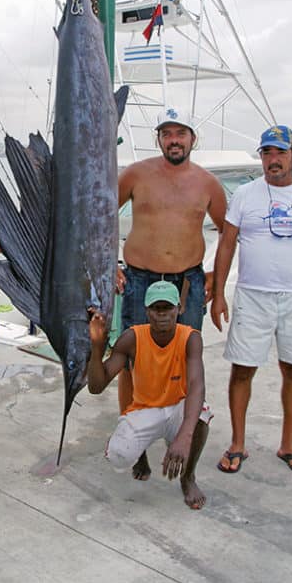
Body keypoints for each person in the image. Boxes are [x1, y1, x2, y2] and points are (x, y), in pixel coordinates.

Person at [211, 124, 292, 476]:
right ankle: (238, 443)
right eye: (267, 153)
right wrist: (219, 294)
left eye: (280, 153)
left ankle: (288, 443)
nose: (272, 160)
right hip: (252, 296)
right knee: (242, 369)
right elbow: (226, 244)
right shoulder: (246, 195)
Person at [117, 106, 226, 479]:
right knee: (131, 362)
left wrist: (218, 278)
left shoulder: (209, 184)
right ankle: (137, 448)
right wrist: (104, 271)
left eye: (181, 133)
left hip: (187, 284)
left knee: (185, 361)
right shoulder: (134, 174)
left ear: (193, 139)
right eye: (167, 133)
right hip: (138, 280)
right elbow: (97, 218)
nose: (174, 140)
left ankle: (185, 445)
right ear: (159, 139)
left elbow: (231, 232)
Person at [87, 281, 212, 509]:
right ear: (146, 311)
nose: (162, 314)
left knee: (201, 418)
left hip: (177, 407)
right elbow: (96, 387)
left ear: (178, 309)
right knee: (118, 455)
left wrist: (184, 436)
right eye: (156, 308)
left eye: (168, 308)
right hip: (145, 410)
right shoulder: (132, 338)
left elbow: (197, 386)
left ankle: (188, 477)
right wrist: (96, 348)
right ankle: (140, 453)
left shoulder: (190, 338)